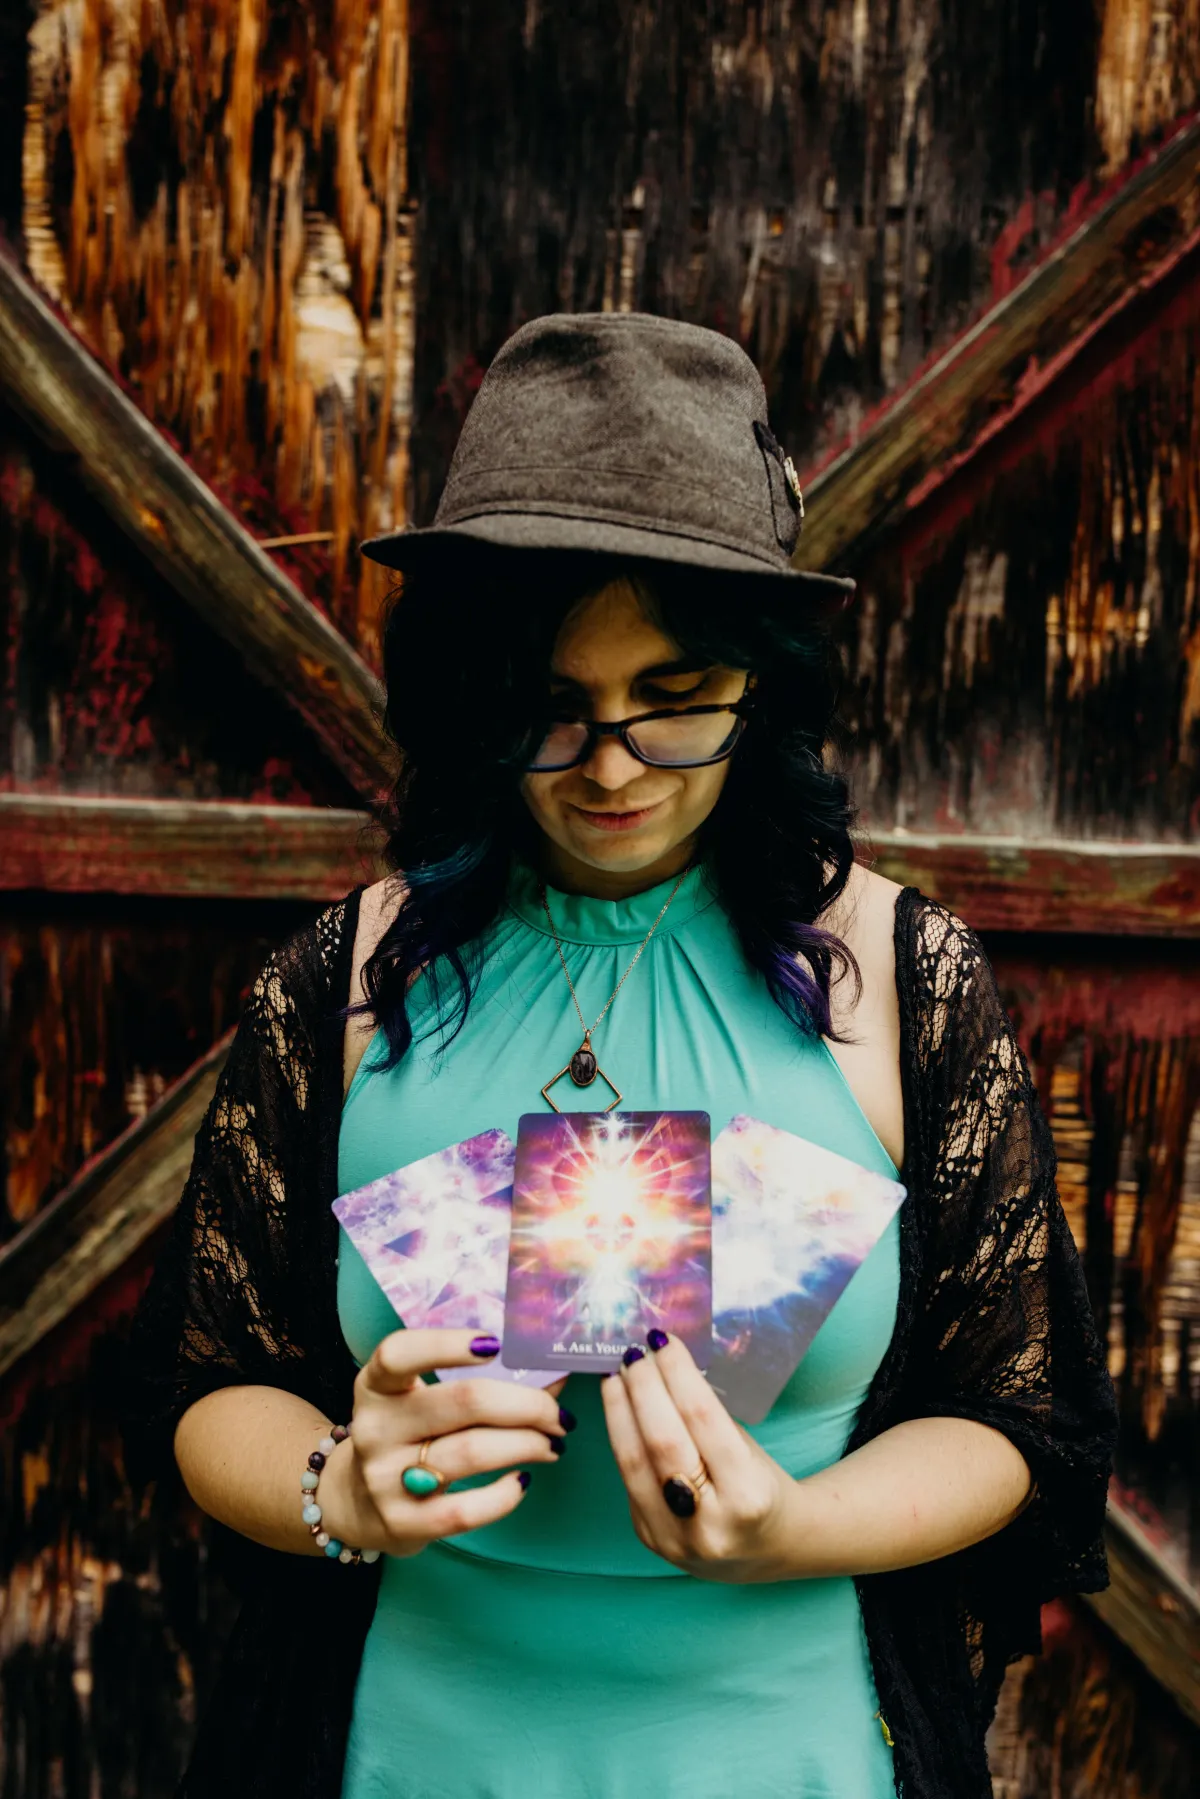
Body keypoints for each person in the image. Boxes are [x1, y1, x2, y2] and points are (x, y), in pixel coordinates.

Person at [124, 313, 1117, 1799]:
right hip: (408, 1744)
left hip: (796, 1748)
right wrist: (342, 1482)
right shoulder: (339, 979)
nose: (607, 767)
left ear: (761, 685)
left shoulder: (904, 979)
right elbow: (214, 1383)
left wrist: (794, 1523)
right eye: (551, 704)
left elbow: (1017, 1419)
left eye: (673, 700)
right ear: (473, 693)